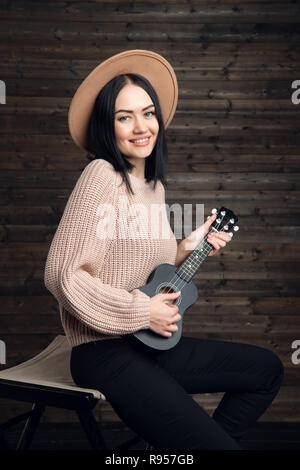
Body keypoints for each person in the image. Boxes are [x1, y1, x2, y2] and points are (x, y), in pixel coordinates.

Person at [44, 50, 284, 450]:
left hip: (146, 343)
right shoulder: (101, 175)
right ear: (108, 125)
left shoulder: (154, 189)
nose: (141, 127)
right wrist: (143, 311)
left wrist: (188, 248)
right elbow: (61, 273)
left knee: (266, 370)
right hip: (104, 352)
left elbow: (136, 272)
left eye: (148, 112)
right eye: (125, 116)